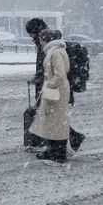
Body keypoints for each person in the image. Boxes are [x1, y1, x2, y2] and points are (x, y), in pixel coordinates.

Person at [25, 18, 85, 155]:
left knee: (53, 117)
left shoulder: (50, 47)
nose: (30, 36)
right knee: (53, 117)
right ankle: (57, 144)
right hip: (49, 85)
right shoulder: (46, 44)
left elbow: (51, 69)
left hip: (52, 87)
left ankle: (62, 144)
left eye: (30, 32)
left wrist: (44, 82)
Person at [28, 27, 73, 165]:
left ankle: (58, 154)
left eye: (41, 39)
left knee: (57, 122)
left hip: (57, 91)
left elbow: (60, 74)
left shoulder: (56, 52)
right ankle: (53, 150)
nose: (39, 42)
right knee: (51, 121)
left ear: (46, 40)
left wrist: (49, 85)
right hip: (55, 90)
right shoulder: (53, 51)